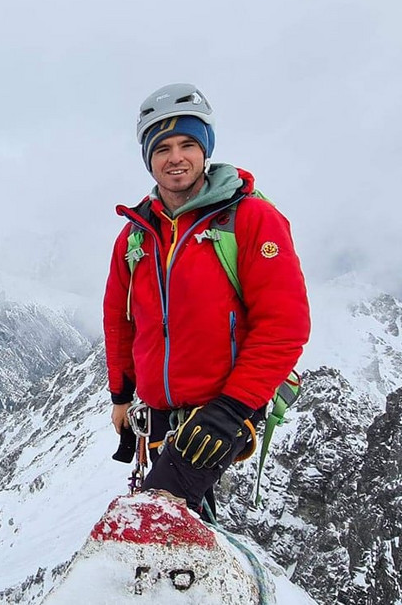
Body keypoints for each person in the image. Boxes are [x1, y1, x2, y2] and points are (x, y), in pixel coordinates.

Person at [103, 83, 311, 513]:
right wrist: (122, 398)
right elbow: (121, 321)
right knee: (180, 520)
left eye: (187, 145)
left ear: (205, 150)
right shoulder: (136, 235)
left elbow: (284, 326)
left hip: (225, 407)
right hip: (162, 413)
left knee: (153, 519)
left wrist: (231, 409)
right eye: (162, 148)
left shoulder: (251, 220)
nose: (175, 157)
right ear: (148, 158)